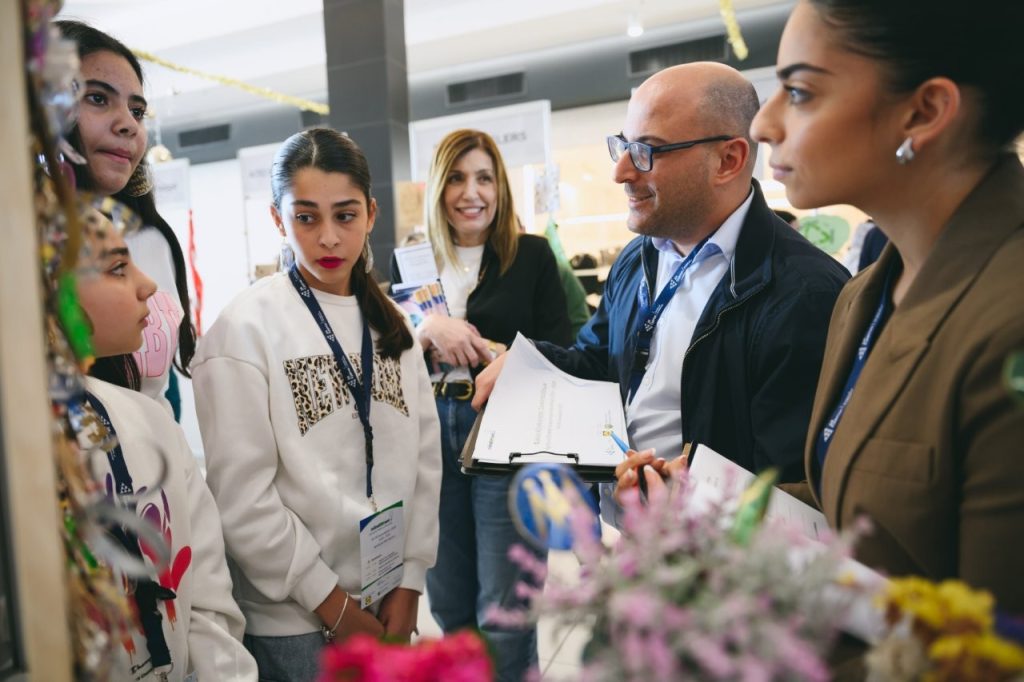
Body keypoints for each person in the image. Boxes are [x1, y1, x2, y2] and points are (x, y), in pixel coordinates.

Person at [476, 62, 849, 515]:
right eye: (623, 146)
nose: (621, 172)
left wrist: (688, 498)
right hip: (618, 529)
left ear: (728, 160)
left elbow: (794, 488)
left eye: (647, 151)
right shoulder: (639, 257)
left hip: (703, 550)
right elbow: (599, 361)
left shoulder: (804, 294)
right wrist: (534, 365)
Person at [750, 0, 1024, 615]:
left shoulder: (1010, 321)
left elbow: (993, 645)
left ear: (923, 112)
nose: (764, 124)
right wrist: (716, 509)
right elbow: (861, 509)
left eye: (799, 92)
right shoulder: (864, 295)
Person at [191, 128, 442, 682]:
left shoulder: (393, 326)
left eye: (345, 215)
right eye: (306, 217)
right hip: (295, 621)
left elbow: (425, 460)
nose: (328, 237)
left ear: (371, 214)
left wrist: (410, 580)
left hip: (386, 598)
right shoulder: (244, 330)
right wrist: (333, 605)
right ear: (278, 219)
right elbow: (242, 499)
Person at [390, 129, 571, 682]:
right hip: (430, 428)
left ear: (500, 188)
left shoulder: (532, 255)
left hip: (506, 428)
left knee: (506, 610)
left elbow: (565, 348)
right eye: (458, 178)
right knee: (448, 601)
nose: (472, 192)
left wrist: (501, 353)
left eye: (485, 178)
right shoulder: (412, 260)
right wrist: (426, 330)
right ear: (438, 188)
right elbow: (387, 353)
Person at [72, 207, 256, 681]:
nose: (149, 286)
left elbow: (209, 603)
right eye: (118, 268)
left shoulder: (153, 422)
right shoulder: (26, 455)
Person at [57, 20, 195, 418]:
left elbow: (162, 388)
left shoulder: (153, 236)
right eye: (98, 98)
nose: (129, 124)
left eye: (137, 110)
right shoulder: (23, 245)